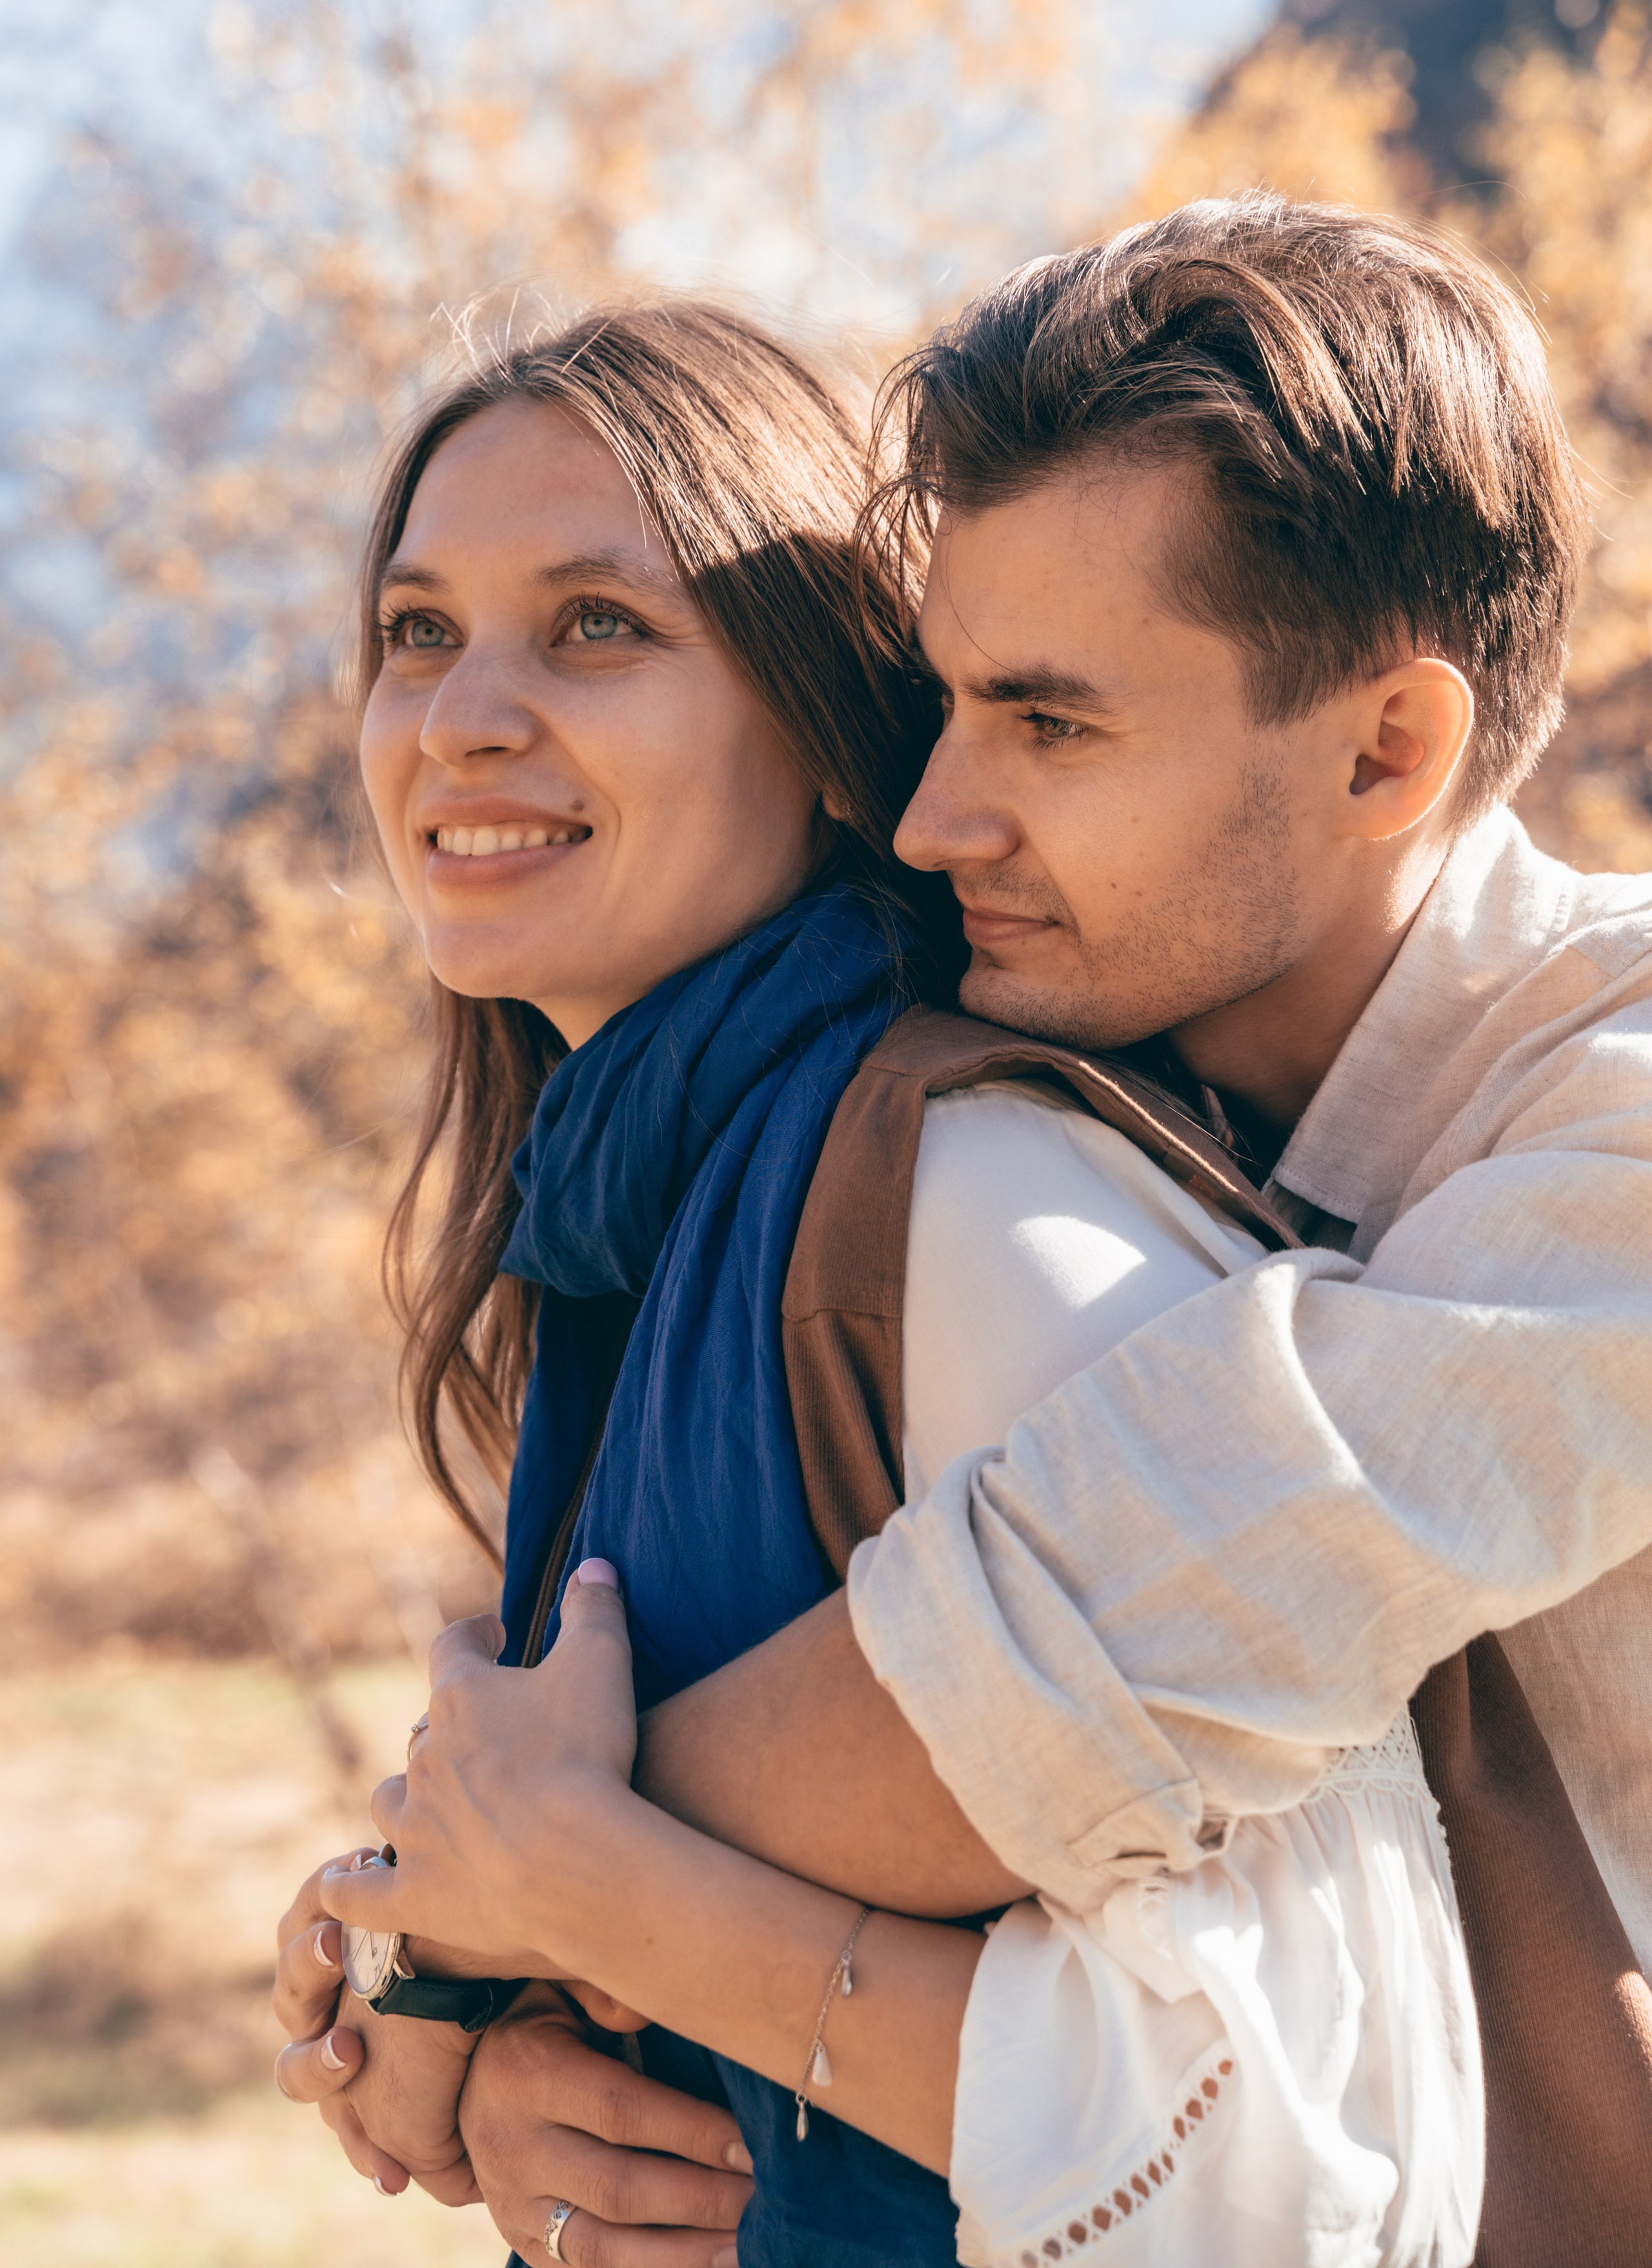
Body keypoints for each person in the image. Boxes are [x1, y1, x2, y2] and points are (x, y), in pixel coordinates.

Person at [385, 197, 1652, 2265]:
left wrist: (493, 1922)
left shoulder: (1618, 1134)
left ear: (1387, 749)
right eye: (951, 702)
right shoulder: (1023, 1108)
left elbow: (1149, 1594)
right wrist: (482, 1943)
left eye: (1050, 725)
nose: (927, 816)